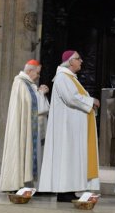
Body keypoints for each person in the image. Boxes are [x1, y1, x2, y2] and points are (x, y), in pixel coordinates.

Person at [38, 50, 100, 201]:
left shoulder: (71, 78)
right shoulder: (62, 77)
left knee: (71, 158)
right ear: (70, 61)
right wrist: (91, 101)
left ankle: (69, 190)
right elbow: (71, 98)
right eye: (78, 59)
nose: (81, 61)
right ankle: (64, 191)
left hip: (72, 128)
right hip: (65, 129)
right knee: (66, 157)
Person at [0, 60, 50, 192]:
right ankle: (15, 184)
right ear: (29, 71)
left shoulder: (29, 84)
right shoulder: (20, 83)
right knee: (20, 151)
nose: (39, 76)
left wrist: (39, 93)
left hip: (29, 126)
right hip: (21, 127)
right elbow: (31, 104)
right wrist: (40, 93)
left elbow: (35, 106)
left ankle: (27, 184)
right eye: (37, 73)